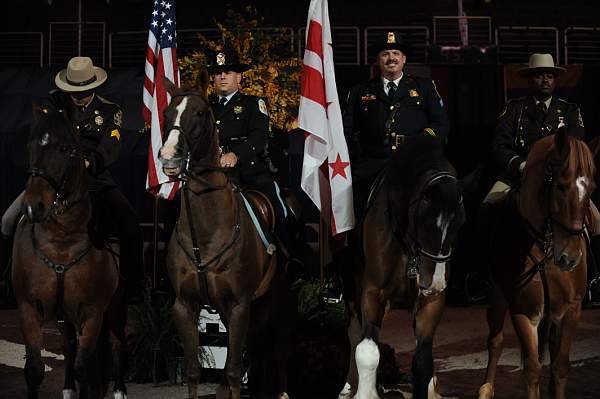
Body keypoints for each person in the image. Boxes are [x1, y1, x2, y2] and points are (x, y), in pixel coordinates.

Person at [0, 56, 145, 304]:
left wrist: (89, 162)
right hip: (52, 179)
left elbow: (111, 146)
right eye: (73, 90)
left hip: (94, 178)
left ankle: (134, 285)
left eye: (83, 90)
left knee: (129, 221)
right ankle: (6, 282)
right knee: (8, 219)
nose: (78, 95)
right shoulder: (52, 106)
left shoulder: (111, 111)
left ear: (94, 86)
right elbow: (41, 136)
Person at [476, 53, 600, 303]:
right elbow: (499, 146)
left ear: (555, 80)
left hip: (560, 180)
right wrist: (521, 165)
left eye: (549, 75)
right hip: (519, 174)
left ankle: (594, 278)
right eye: (539, 75)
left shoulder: (570, 110)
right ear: (530, 79)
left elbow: (576, 146)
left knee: (596, 219)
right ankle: (481, 275)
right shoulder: (514, 109)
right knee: (486, 208)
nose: (545, 79)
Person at [343, 31, 449, 218]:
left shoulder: (424, 87)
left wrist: (418, 144)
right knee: (352, 209)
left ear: (404, 59)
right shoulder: (359, 91)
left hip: (415, 164)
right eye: (385, 54)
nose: (391, 58)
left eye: (396, 53)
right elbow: (346, 130)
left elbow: (441, 124)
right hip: (373, 166)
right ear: (377, 60)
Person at [206, 48, 298, 263]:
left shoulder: (253, 104)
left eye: (227, 72)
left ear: (238, 77)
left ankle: (293, 263)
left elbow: (259, 138)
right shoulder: (205, 107)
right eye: (218, 72)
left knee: (280, 210)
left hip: (249, 173)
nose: (222, 76)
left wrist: (236, 155)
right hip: (213, 175)